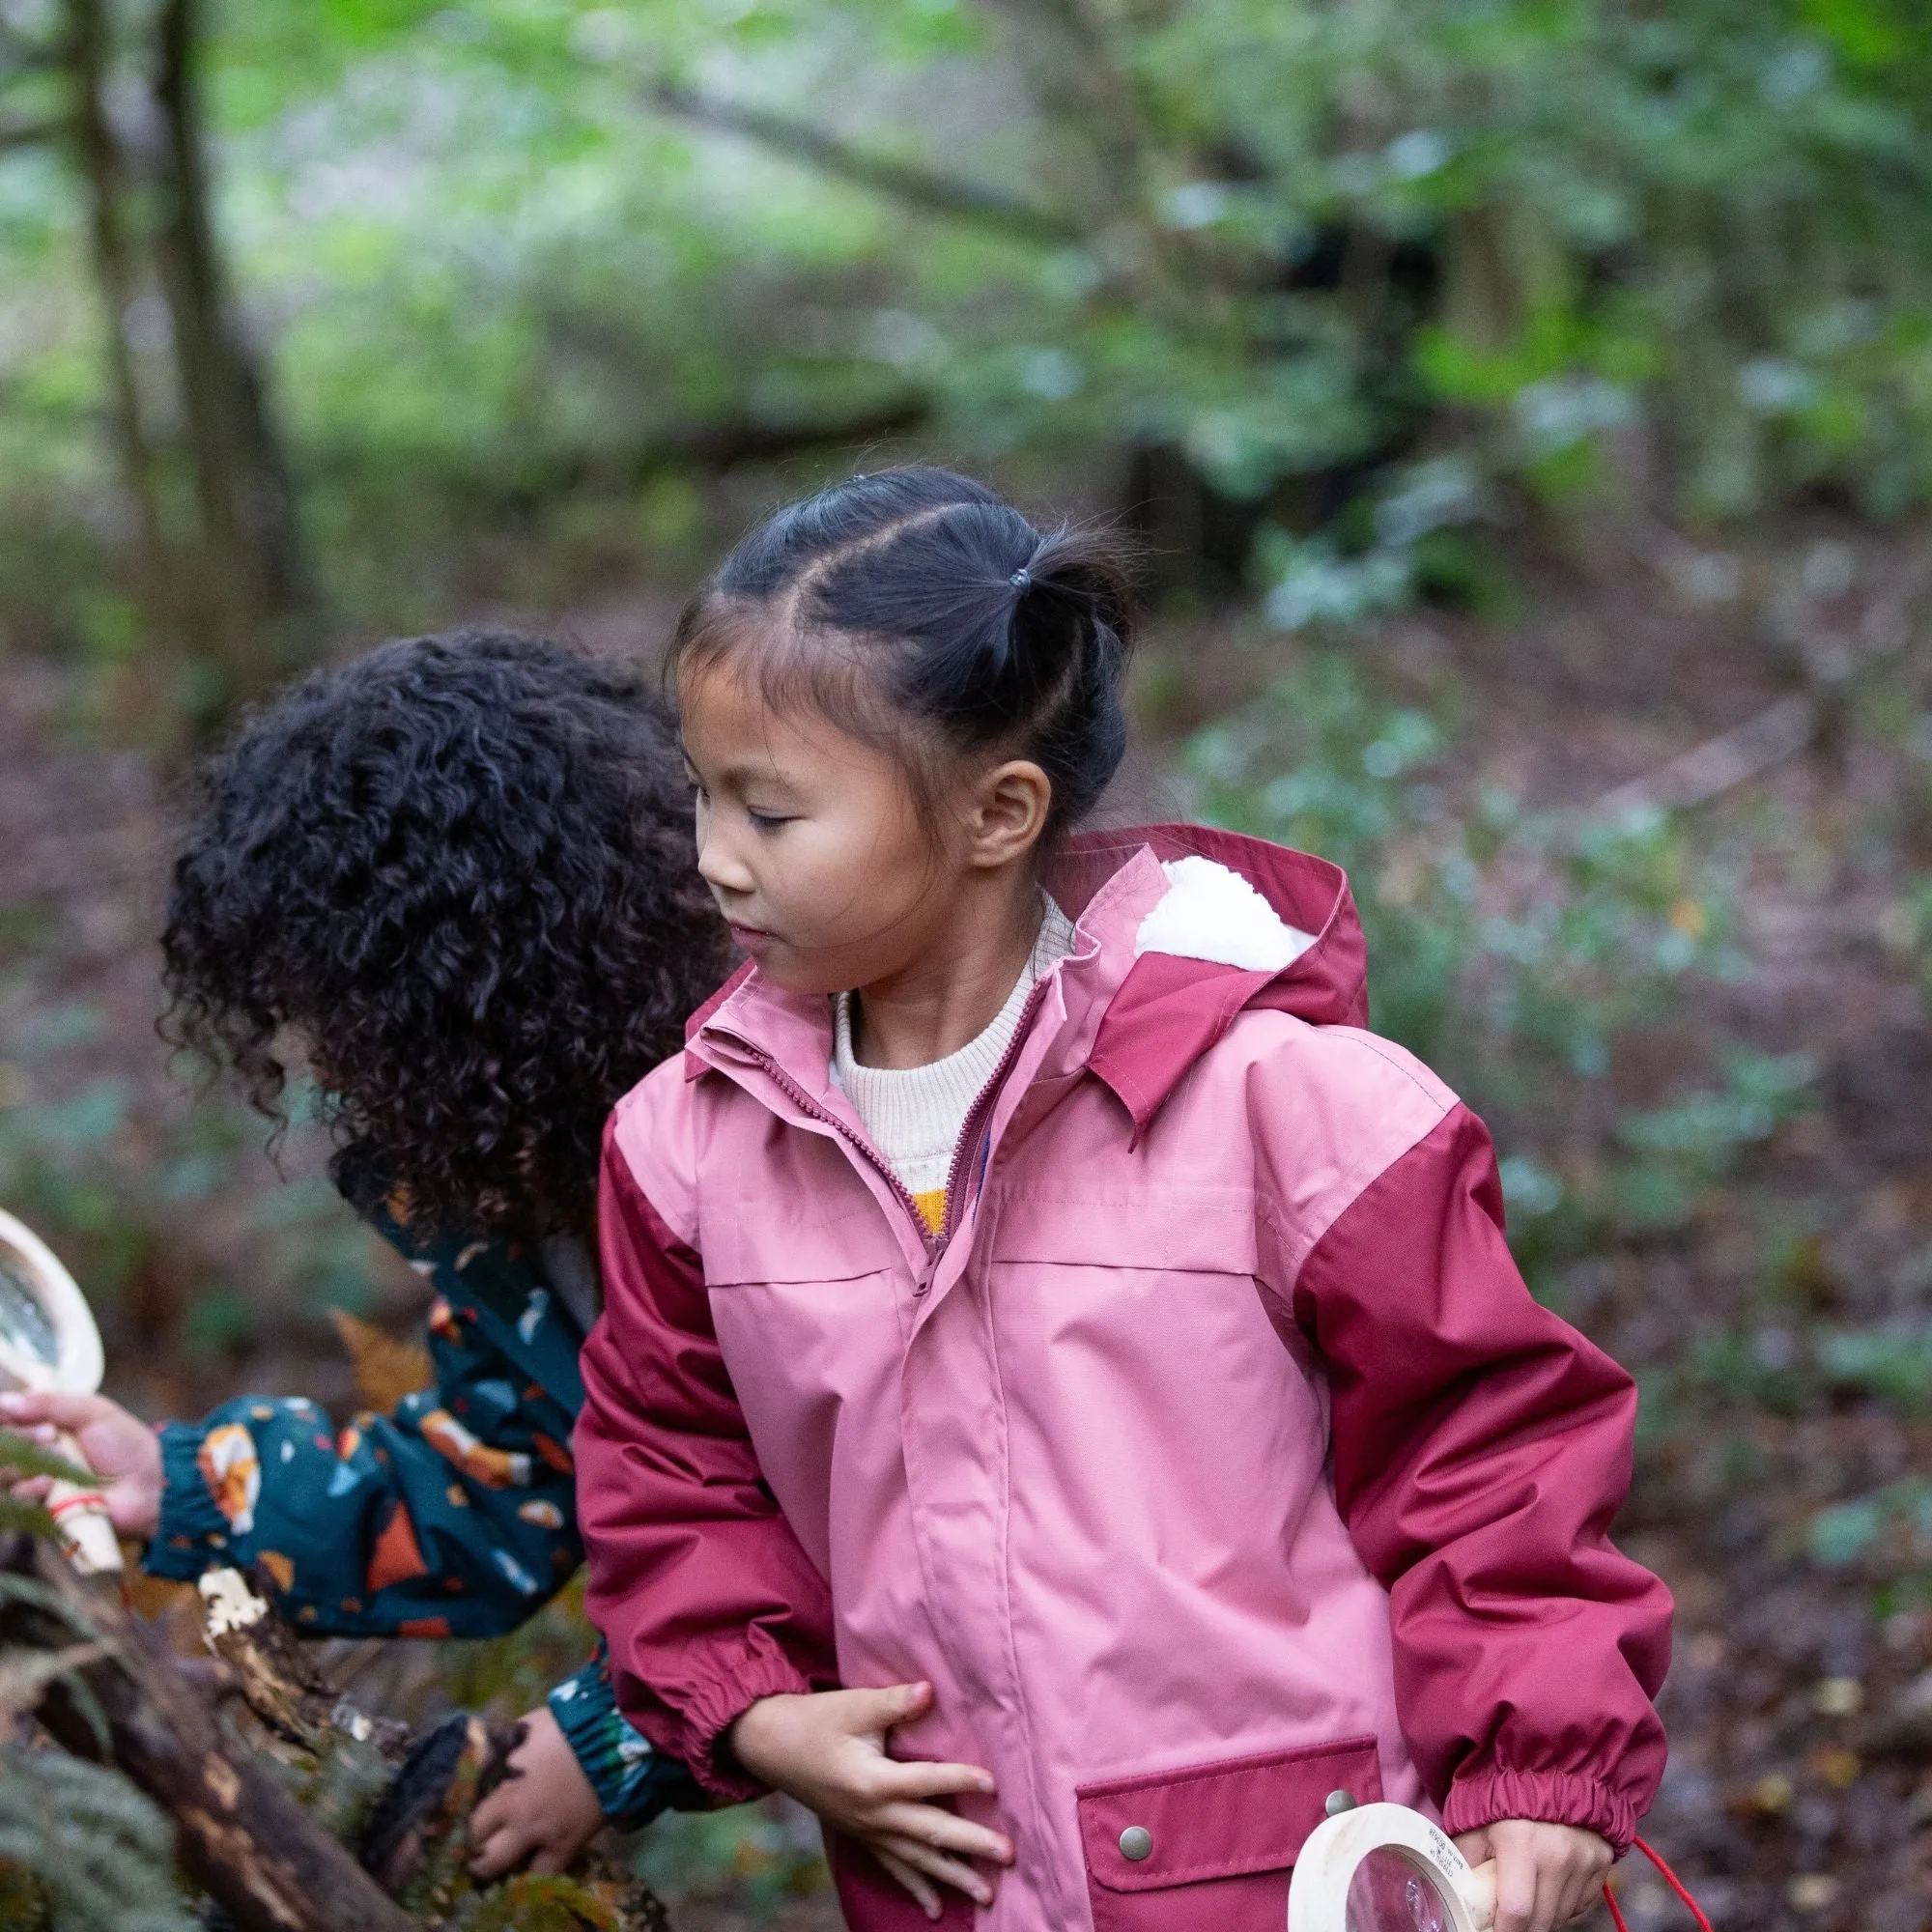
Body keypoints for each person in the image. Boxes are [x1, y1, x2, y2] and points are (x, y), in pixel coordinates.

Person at [573, 468, 1674, 1932]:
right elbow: (668, 1467)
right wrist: (752, 1706)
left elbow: (1487, 1453)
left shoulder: (1293, 1109)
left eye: (770, 813)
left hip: (1306, 1883)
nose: (715, 858)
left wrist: (1540, 1769)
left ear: (995, 812)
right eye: (703, 794)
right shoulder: (689, 1152)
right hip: (952, 1894)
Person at [2, 631, 731, 1878]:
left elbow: (850, 1528)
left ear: (459, 994)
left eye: (344, 1025)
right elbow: (482, 1495)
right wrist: (179, 1486)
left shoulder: (749, 1174)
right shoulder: (524, 1219)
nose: (335, 1076)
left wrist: (618, 1741)